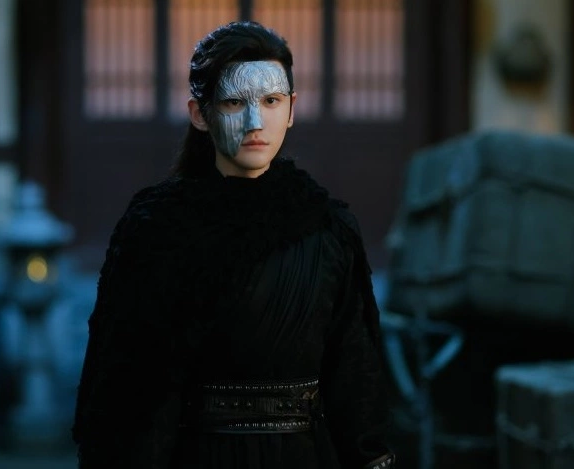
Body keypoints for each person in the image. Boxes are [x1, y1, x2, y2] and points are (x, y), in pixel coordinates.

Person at [72, 21, 395, 469]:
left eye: (271, 101)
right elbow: (129, 384)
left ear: (292, 108)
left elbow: (355, 374)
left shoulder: (328, 227)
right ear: (199, 114)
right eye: (233, 102)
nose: (254, 122)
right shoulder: (158, 227)